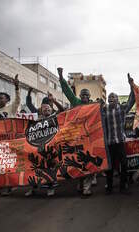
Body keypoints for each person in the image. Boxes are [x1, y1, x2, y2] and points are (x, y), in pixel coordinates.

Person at [58, 67, 94, 197]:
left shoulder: (93, 106)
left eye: (86, 95)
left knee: (89, 162)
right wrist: (61, 77)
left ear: (89, 97)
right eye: (82, 95)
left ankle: (87, 188)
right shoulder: (76, 102)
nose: (84, 97)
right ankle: (80, 183)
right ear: (80, 96)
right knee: (78, 162)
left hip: (90, 139)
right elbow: (67, 91)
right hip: (77, 138)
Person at [103, 74, 135, 195]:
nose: (111, 98)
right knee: (109, 167)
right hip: (109, 143)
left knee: (124, 165)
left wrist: (131, 85)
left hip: (120, 142)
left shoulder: (122, 109)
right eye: (109, 97)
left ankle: (123, 185)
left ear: (117, 99)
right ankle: (109, 187)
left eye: (113, 96)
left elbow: (132, 99)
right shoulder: (103, 110)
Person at [0, 74, 20, 196]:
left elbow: (18, 100)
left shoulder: (11, 108)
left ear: (7, 100)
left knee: (8, 164)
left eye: (1, 98)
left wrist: (17, 87)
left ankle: (8, 186)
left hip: (9, 141)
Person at [25, 98, 57, 197]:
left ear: (51, 109)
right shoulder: (36, 119)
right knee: (35, 169)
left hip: (50, 149)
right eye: (44, 108)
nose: (46, 110)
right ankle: (33, 188)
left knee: (49, 169)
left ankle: (50, 188)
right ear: (41, 110)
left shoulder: (55, 118)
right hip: (37, 149)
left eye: (48, 108)